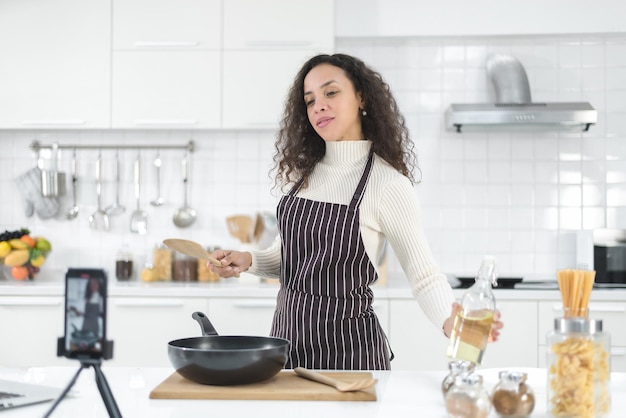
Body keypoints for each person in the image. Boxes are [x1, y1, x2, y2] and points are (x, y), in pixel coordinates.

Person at [209, 53, 503, 370]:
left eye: (331, 92)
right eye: (310, 101)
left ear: (361, 97)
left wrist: (453, 322)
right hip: (287, 352)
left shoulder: (386, 184)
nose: (318, 106)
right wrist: (250, 260)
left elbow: (424, 276)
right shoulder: (303, 176)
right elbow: (299, 257)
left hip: (351, 360)